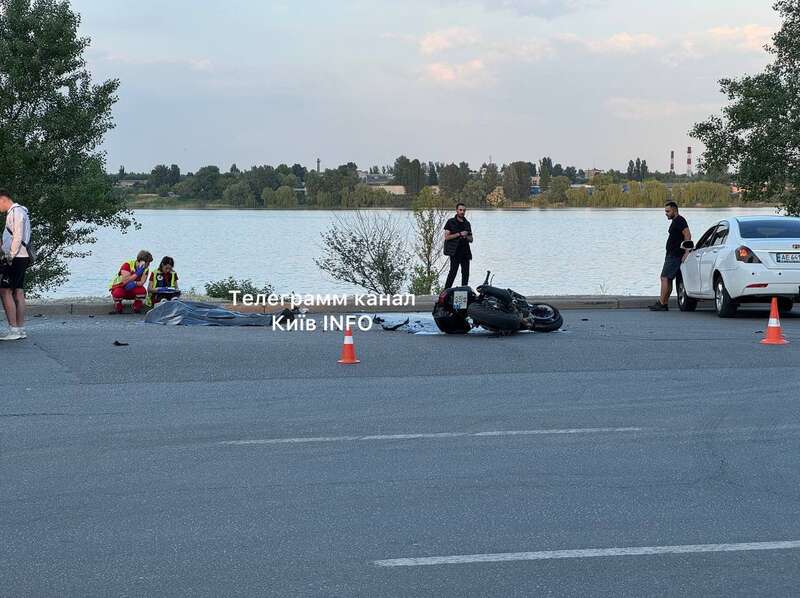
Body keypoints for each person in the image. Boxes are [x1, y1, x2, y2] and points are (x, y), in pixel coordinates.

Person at [0, 190, 32, 341]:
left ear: (3, 199)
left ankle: (14, 329)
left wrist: (9, 256)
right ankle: (20, 329)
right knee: (18, 291)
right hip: (21, 256)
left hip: (16, 257)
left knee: (5, 290)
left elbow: (18, 237)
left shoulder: (15, 213)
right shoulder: (21, 211)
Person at [650, 201, 691, 311]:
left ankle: (662, 303)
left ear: (674, 210)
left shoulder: (680, 220)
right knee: (668, 279)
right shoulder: (676, 221)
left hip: (675, 255)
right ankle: (664, 303)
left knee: (664, 278)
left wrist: (687, 251)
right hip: (672, 254)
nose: (666, 213)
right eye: (665, 211)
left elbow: (687, 234)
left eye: (668, 211)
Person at [443, 203, 473, 289]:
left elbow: (471, 239)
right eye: (460, 210)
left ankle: (464, 293)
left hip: (466, 252)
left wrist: (466, 236)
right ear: (456, 210)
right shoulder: (450, 222)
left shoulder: (467, 223)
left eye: (464, 210)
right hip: (455, 252)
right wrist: (459, 234)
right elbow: (447, 237)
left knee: (466, 273)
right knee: (453, 273)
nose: (462, 212)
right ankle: (445, 292)